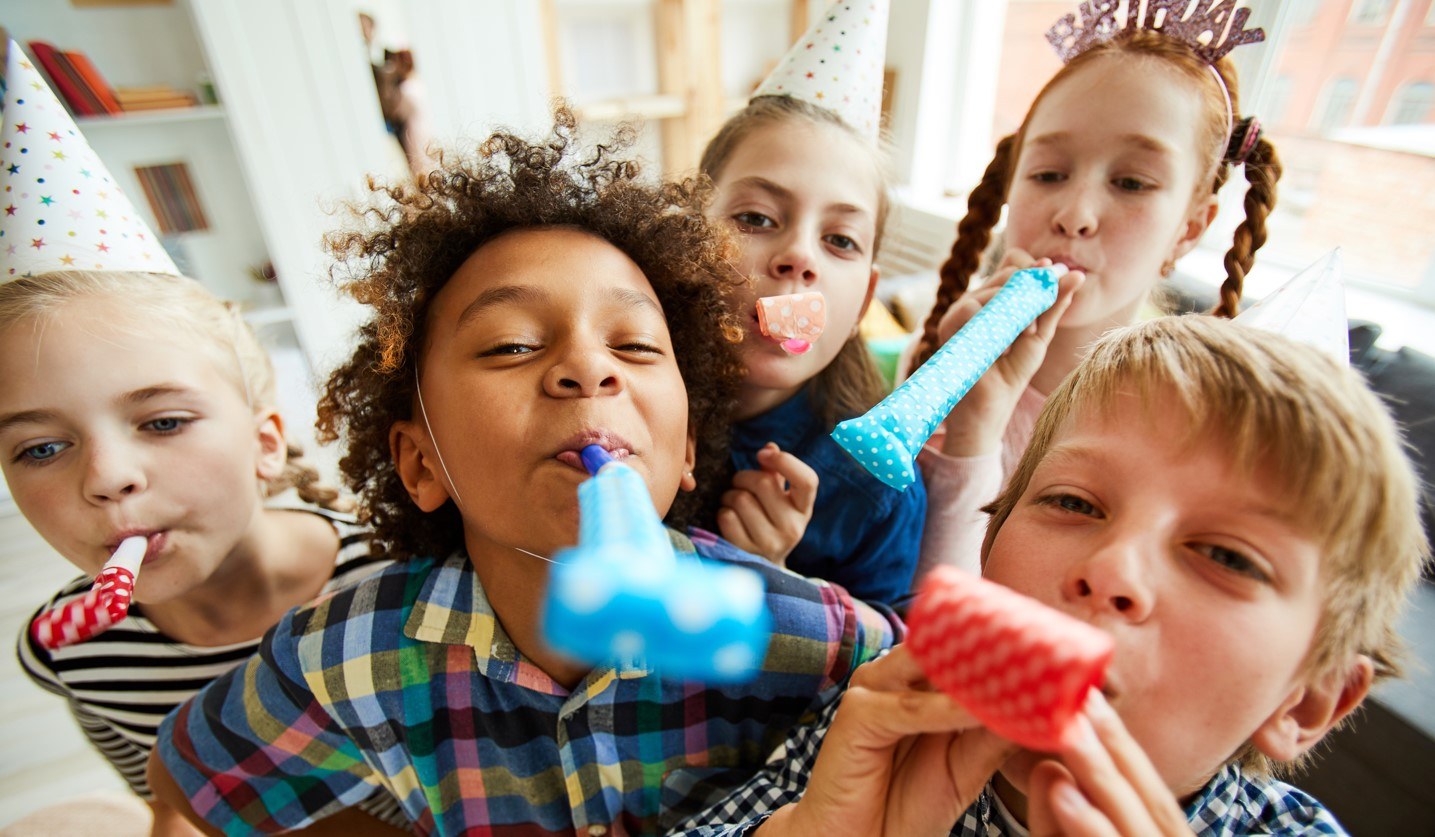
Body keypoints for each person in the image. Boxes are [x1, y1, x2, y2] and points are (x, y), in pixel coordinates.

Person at [148, 108, 901, 836]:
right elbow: (187, 780)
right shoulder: (340, 655)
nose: (586, 367)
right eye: (511, 344)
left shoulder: (808, 637)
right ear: (418, 461)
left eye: (635, 345)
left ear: (686, 452)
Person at [673, 314, 1429, 836]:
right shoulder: (874, 722)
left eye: (1227, 555)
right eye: (1073, 501)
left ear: (1307, 699)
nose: (1109, 569)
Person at [0, 43, 406, 835]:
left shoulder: (400, 577)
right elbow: (178, 807)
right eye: (41, 446)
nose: (109, 477)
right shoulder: (70, 656)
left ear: (264, 441)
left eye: (162, 421)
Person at [911, 4, 1281, 580]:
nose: (1075, 215)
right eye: (1049, 174)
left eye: (1131, 182)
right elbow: (914, 612)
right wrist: (974, 427)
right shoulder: (934, 376)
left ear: (1189, 229)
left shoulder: (1182, 429)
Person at [700, 0, 927, 605]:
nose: (799, 257)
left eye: (839, 240)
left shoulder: (876, 484)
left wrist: (780, 583)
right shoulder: (614, 394)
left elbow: (878, 668)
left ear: (864, 303)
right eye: (755, 217)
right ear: (682, 241)